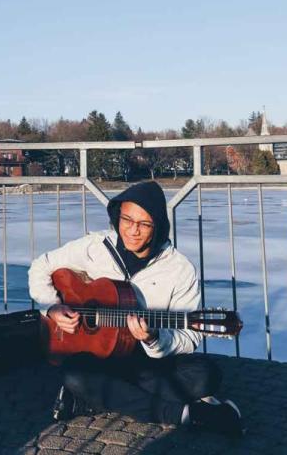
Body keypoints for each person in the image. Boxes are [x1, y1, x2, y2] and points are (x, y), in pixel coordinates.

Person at [28, 181, 243, 438]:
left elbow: (190, 337)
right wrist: (52, 306)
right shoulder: (94, 247)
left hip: (144, 362)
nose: (133, 231)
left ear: (158, 226)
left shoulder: (179, 268)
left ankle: (92, 398)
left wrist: (154, 339)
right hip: (96, 358)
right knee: (76, 374)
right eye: (126, 220)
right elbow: (41, 266)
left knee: (204, 376)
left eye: (144, 224)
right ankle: (187, 415)